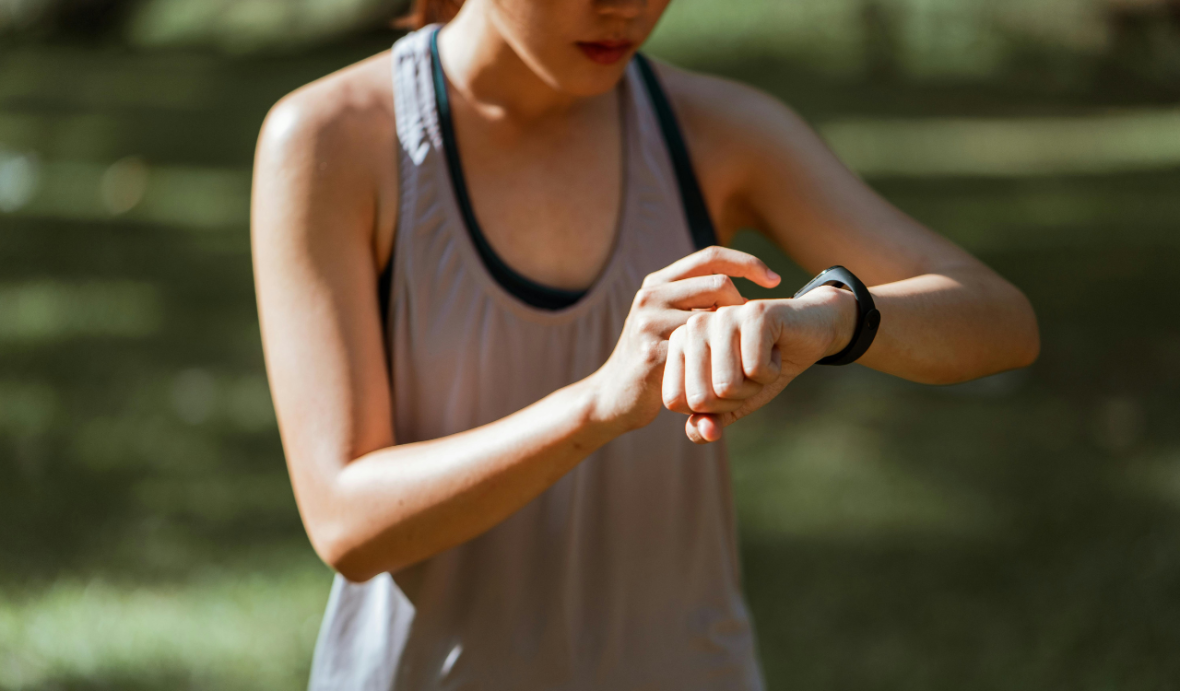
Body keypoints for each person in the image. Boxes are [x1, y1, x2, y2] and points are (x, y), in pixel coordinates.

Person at [250, 0, 1040, 687]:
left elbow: (1001, 321)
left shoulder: (715, 130)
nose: (626, 7)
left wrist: (830, 318)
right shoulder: (333, 138)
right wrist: (600, 401)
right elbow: (348, 523)